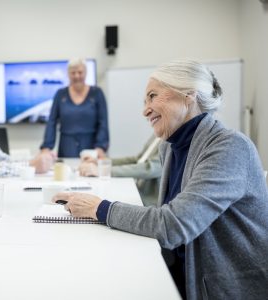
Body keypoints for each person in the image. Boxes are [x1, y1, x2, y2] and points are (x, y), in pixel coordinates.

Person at [53, 59, 268, 299]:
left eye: (153, 96)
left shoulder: (229, 147)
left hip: (224, 286)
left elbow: (174, 224)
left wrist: (99, 208)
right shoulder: (170, 147)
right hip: (182, 271)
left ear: (188, 96)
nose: (145, 110)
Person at [40, 58, 109, 158]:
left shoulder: (97, 93)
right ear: (68, 74)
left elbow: (103, 122)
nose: (77, 76)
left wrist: (100, 147)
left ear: (86, 73)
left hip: (91, 148)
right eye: (73, 73)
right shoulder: (60, 94)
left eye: (80, 72)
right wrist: (46, 147)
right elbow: (52, 122)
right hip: (66, 146)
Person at [78, 134, 162, 206]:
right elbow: (137, 160)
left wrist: (103, 171)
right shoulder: (156, 135)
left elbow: (149, 168)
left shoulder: (169, 140)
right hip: (137, 191)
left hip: (147, 202)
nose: (145, 114)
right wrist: (101, 161)